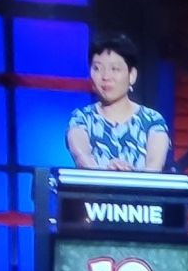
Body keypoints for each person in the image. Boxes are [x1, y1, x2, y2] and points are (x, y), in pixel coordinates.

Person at [65, 33, 171, 172]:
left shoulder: (152, 120)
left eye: (114, 69)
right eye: (97, 68)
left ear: (132, 75)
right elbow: (82, 157)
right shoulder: (81, 118)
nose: (105, 77)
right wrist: (106, 175)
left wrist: (131, 177)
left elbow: (155, 166)